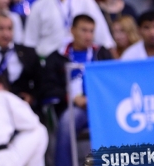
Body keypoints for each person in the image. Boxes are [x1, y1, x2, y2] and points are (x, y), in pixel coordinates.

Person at [42, 14, 113, 166]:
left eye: (91, 31)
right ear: (72, 30)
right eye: (84, 30)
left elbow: (113, 81)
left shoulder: (101, 53)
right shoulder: (57, 57)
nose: (88, 36)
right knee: (67, 122)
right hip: (74, 107)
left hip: (103, 106)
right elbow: (48, 88)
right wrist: (71, 98)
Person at [0, 13, 42, 109]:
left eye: (9, 29)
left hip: (22, 106)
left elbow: (41, 81)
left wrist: (32, 97)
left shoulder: (28, 53)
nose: (6, 34)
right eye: (1, 29)